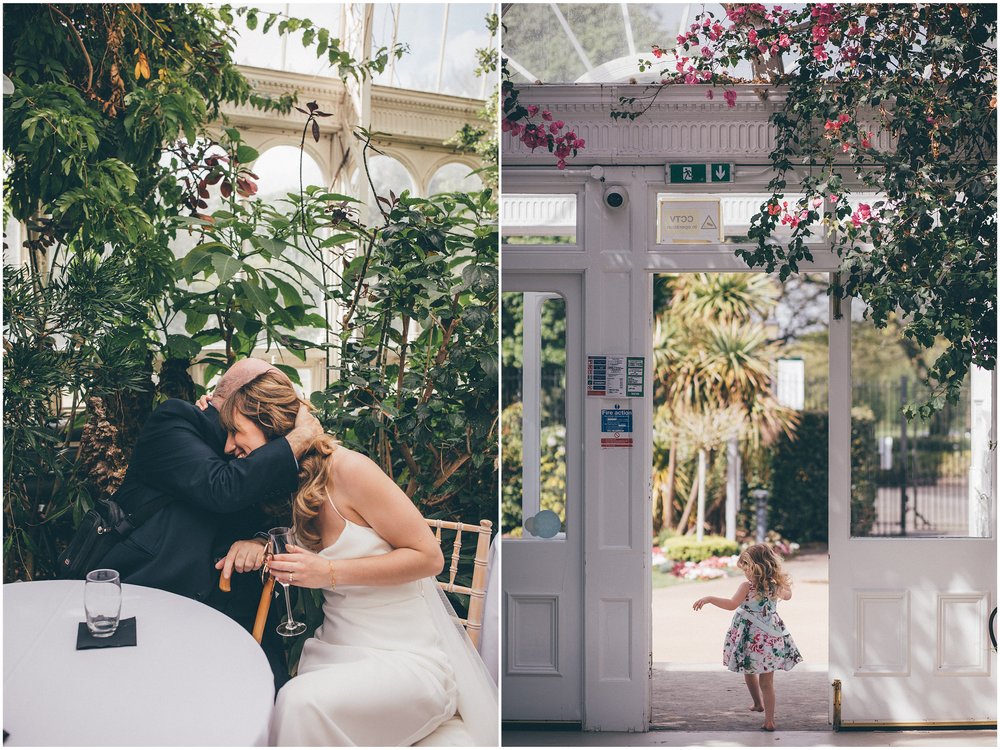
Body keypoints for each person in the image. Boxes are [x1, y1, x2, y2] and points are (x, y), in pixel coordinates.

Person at [215, 369, 498, 746]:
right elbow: (293, 540)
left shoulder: (349, 469)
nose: (228, 447)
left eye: (236, 432)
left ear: (271, 424)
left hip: (405, 660)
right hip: (335, 651)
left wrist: (327, 572)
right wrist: (259, 542)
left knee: (298, 703)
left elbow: (429, 557)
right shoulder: (292, 483)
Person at [95, 358, 324, 688]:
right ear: (233, 400)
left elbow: (285, 513)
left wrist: (260, 540)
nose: (231, 445)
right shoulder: (174, 422)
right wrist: (302, 435)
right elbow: (223, 488)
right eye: (228, 426)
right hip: (156, 598)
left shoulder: (261, 453)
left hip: (235, 609)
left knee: (272, 695)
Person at [693, 543, 802, 731]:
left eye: (746, 569)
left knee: (749, 670)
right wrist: (779, 582)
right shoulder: (775, 585)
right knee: (767, 682)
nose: (745, 574)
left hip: (749, 637)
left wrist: (709, 598)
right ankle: (769, 720)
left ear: (756, 568)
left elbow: (730, 604)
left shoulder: (747, 586)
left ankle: (758, 704)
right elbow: (789, 595)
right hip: (771, 637)